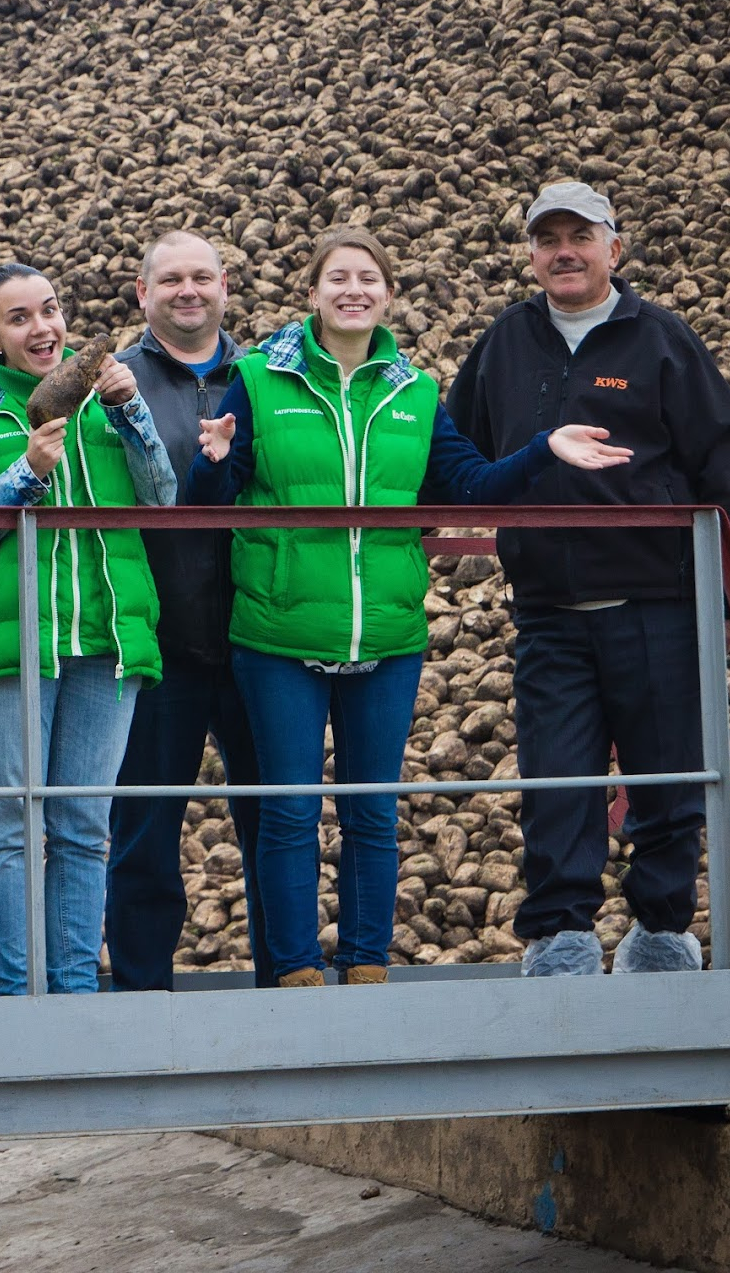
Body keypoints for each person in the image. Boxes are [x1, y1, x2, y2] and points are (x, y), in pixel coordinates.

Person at [189, 225, 632, 988]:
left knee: (371, 814)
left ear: (388, 294)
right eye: (338, 279)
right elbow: (211, 502)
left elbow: (469, 485)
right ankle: (294, 977)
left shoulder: (414, 391)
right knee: (290, 816)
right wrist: (211, 462)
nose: (353, 290)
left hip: (388, 634)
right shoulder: (259, 378)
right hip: (277, 631)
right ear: (314, 293)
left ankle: (366, 971)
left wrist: (544, 449)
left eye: (368, 278)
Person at [443, 182, 730, 977]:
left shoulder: (661, 340)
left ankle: (662, 934)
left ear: (613, 247)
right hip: (548, 609)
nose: (564, 252)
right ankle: (560, 940)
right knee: (557, 779)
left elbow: (726, 459)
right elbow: (456, 454)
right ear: (530, 255)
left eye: (580, 236)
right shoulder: (504, 344)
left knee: (668, 780)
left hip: (656, 603)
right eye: (548, 238)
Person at [0, 263, 175, 996]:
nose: (43, 329)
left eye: (51, 311)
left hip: (107, 638)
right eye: (20, 318)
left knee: (83, 826)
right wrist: (24, 473)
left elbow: (162, 502)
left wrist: (135, 416)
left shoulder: (110, 397)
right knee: (11, 826)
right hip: (9, 644)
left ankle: (73, 997)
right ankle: (16, 997)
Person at [108, 232, 271, 992]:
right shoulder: (114, 385)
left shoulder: (268, 380)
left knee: (277, 826)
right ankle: (142, 997)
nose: (187, 290)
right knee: (142, 833)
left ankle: (287, 981)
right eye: (169, 279)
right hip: (156, 644)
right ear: (142, 294)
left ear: (225, 285)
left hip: (256, 639)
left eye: (201, 276)